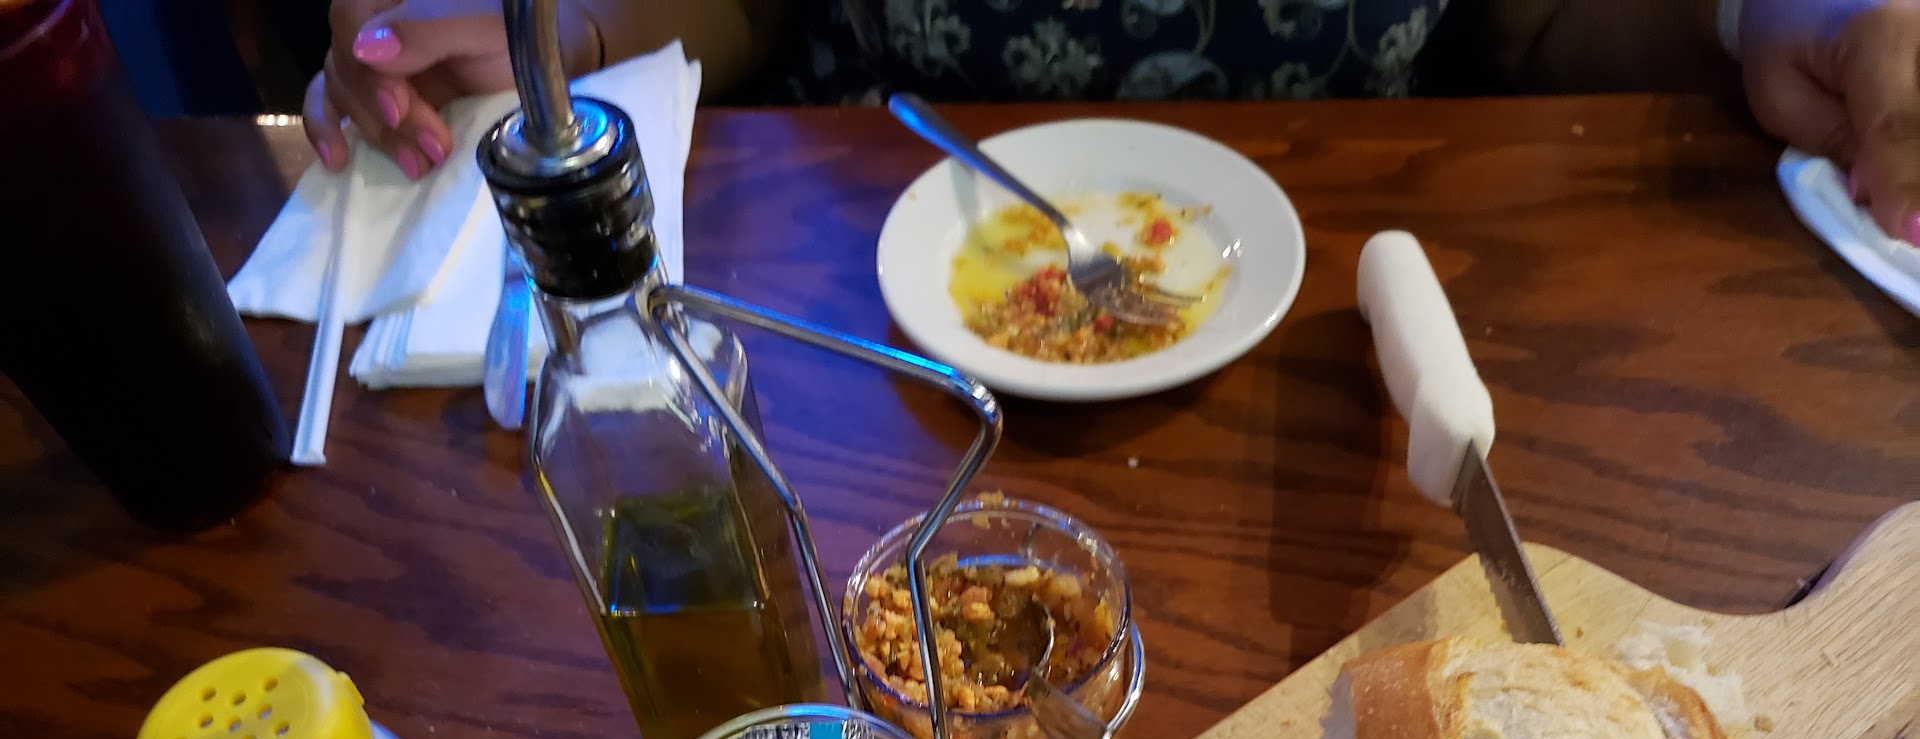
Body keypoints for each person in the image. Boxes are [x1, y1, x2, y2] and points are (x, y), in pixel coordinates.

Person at [302, 1, 1920, 243]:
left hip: (1385, 291)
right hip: (865, 330)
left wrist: (1788, 13)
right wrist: (553, 29)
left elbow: (1546, 21)